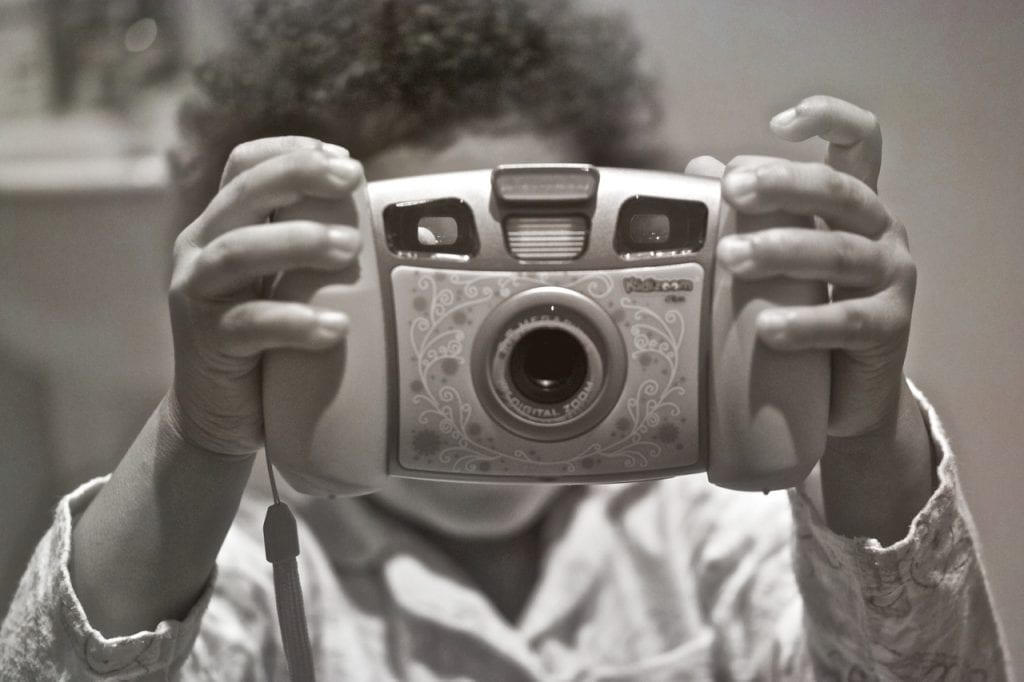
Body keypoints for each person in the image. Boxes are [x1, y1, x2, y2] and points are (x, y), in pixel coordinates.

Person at [0, 0, 1008, 679]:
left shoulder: (706, 530)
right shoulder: (247, 564)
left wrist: (865, 437)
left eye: (561, 275)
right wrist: (200, 433)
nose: (526, 338)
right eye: (443, 271)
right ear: (309, 272)